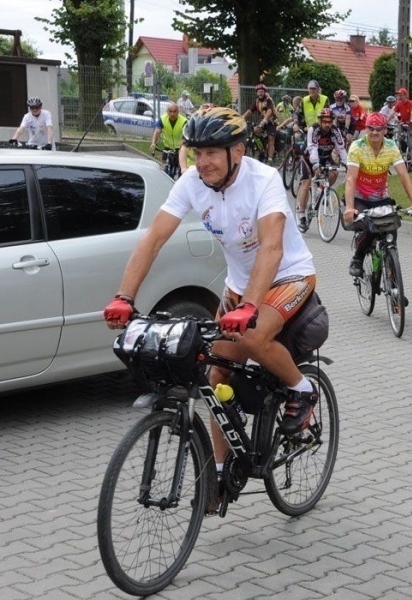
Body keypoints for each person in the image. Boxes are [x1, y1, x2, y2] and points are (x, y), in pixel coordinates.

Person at [103, 106, 320, 478]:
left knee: (251, 336)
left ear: (237, 151)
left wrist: (250, 305)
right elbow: (154, 238)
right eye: (197, 152)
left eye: (211, 153)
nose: (202, 162)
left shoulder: (263, 180)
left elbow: (271, 248)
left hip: (288, 277)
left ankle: (301, 389)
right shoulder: (191, 182)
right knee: (214, 375)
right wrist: (124, 296)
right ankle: (220, 472)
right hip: (238, 286)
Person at [343, 112, 412, 277]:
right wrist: (349, 207)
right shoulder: (357, 147)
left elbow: (404, 175)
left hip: (381, 198)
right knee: (370, 227)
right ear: (366, 129)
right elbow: (351, 179)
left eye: (379, 129)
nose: (374, 132)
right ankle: (357, 259)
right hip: (361, 198)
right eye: (370, 128)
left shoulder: (390, 147)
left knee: (391, 231)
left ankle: (394, 285)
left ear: (385, 130)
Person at [296, 108, 348, 227]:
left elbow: (341, 148)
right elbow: (312, 148)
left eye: (330, 122)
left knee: (334, 173)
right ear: (320, 121)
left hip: (325, 156)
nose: (327, 124)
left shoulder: (335, 131)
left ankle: (322, 190)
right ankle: (302, 215)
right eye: (324, 121)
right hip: (309, 158)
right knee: (307, 183)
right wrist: (315, 164)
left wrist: (347, 163)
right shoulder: (313, 130)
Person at [242, 83, 278, 163]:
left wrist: (265, 120)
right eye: (259, 92)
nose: (260, 93)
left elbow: (269, 111)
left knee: (271, 139)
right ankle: (262, 150)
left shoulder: (268, 100)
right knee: (255, 130)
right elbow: (250, 110)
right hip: (263, 122)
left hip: (271, 122)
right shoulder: (257, 101)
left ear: (265, 92)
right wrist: (242, 117)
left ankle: (270, 158)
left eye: (262, 92)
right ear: (256, 93)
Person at [150, 103, 186, 176]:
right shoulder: (163, 119)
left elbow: (185, 136)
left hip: (179, 148)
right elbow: (157, 131)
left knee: (181, 170)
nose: (172, 114)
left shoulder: (184, 121)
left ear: (178, 111)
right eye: (170, 111)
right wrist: (153, 143)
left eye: (174, 111)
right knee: (163, 167)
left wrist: (182, 147)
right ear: (167, 111)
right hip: (167, 147)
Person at [390, 87, 412, 166]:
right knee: (398, 135)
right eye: (398, 95)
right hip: (403, 123)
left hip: (411, 125)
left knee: (411, 144)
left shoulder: (411, 103)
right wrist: (385, 121)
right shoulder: (399, 104)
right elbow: (393, 113)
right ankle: (401, 148)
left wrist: (410, 120)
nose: (399, 97)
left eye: (400, 95)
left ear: (405, 95)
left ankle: (411, 162)